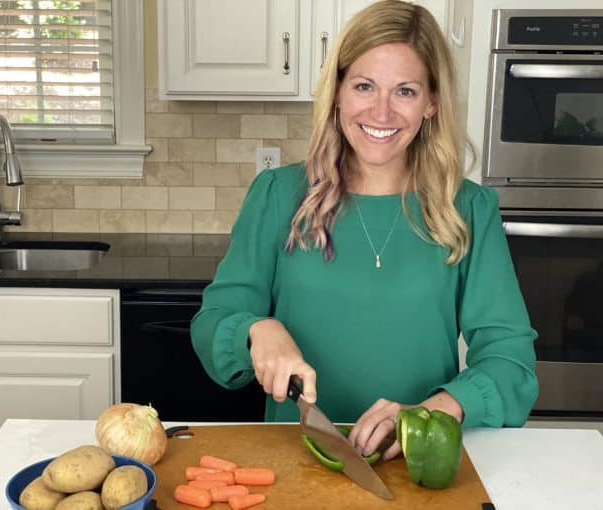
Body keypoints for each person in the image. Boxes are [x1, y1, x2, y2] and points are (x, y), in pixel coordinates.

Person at [191, 0, 538, 461]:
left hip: (417, 460)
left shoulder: (469, 208)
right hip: (292, 457)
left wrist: (434, 412)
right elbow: (212, 323)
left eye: (406, 92)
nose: (382, 111)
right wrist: (257, 328)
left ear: (432, 102)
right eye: (364, 85)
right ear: (337, 92)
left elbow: (511, 358)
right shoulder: (277, 194)